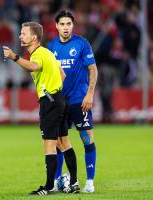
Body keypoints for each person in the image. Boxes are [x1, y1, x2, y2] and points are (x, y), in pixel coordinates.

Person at [3, 22, 79, 195]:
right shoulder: (48, 53)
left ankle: (49, 186)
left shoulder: (37, 54)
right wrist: (54, 87)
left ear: (34, 37)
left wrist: (14, 57)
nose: (21, 36)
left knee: (49, 145)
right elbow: (62, 74)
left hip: (50, 101)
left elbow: (35, 66)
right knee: (64, 142)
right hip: (59, 99)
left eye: (24, 33)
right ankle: (73, 182)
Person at [47, 10, 98, 193]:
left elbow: (93, 70)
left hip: (79, 100)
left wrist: (90, 94)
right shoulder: (52, 46)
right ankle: (56, 181)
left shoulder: (82, 44)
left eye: (68, 24)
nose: (65, 27)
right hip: (60, 101)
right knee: (59, 141)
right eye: (62, 24)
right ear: (56, 26)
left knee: (86, 138)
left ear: (72, 26)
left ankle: (90, 182)